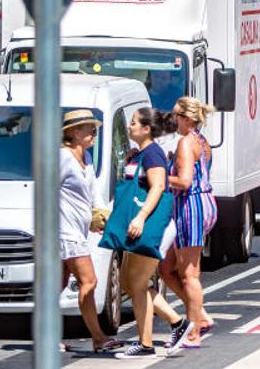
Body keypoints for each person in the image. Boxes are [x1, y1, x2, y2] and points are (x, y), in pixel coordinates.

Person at [114, 108, 177, 359]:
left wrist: (140, 217)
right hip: (140, 225)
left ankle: (147, 342)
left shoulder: (152, 153)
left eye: (133, 123)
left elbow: (159, 186)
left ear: (146, 129)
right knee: (130, 283)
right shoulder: (142, 153)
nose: (129, 127)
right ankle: (176, 325)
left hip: (151, 225)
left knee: (137, 283)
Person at [156, 97, 218, 350]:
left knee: (190, 274)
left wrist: (158, 177)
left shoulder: (185, 141)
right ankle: (199, 316)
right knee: (167, 269)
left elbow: (183, 181)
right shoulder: (201, 142)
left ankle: (193, 332)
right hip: (201, 204)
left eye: (176, 116)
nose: (173, 121)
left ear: (187, 118)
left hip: (190, 205)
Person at [58, 109, 121, 353]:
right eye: (89, 128)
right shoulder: (62, 158)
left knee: (59, 284)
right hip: (64, 231)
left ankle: (48, 335)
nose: (94, 132)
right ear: (74, 132)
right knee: (89, 281)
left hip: (78, 230)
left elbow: (93, 193)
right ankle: (98, 337)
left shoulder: (87, 158)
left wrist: (101, 216)